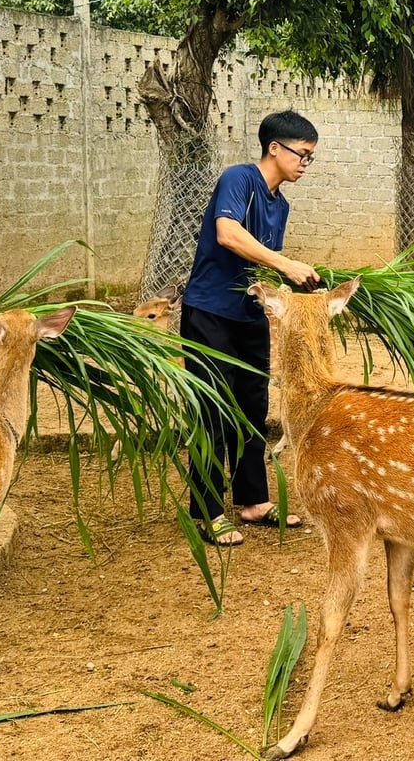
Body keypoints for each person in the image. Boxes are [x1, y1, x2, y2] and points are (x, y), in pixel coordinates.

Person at [181, 110, 322, 545]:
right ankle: (205, 512)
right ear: (274, 148)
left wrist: (297, 290)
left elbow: (260, 263)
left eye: (311, 158)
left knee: (251, 409)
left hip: (248, 317)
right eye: (302, 154)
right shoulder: (239, 180)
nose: (304, 163)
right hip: (210, 313)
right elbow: (228, 234)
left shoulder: (281, 204)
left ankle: (253, 501)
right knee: (213, 412)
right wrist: (285, 263)